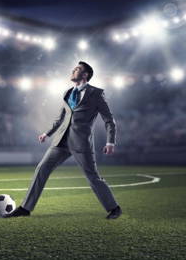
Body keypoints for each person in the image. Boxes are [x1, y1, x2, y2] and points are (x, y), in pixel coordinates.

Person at [7, 61, 122, 219]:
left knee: (93, 177)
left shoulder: (96, 93)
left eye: (77, 69)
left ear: (85, 74)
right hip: (60, 141)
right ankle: (26, 208)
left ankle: (114, 208)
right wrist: (47, 134)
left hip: (81, 143)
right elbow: (60, 118)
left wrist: (110, 142)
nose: (73, 70)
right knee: (41, 169)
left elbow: (109, 119)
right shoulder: (68, 93)